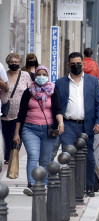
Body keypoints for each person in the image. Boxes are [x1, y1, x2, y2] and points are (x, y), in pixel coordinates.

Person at [56, 52, 99, 197]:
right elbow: (57, 105)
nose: (76, 66)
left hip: (88, 125)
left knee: (89, 157)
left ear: (83, 64)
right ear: (68, 65)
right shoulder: (60, 83)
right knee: (67, 154)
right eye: (73, 64)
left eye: (79, 64)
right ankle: (69, 186)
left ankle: (89, 185)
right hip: (68, 125)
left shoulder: (93, 81)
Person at [13, 66, 62, 195]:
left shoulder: (53, 91)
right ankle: (32, 184)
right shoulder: (28, 92)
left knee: (45, 159)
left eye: (44, 74)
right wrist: (16, 133)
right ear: (35, 76)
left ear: (48, 76)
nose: (41, 76)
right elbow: (21, 113)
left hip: (48, 130)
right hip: (30, 129)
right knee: (33, 155)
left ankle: (43, 185)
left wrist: (61, 123)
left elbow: (57, 109)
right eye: (39, 74)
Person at [2, 53, 32, 165]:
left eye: (16, 62)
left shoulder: (25, 75)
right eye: (11, 62)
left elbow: (30, 90)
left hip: (20, 112)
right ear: (8, 63)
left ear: (19, 63)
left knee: (17, 134)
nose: (14, 64)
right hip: (5, 112)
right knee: (6, 135)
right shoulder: (3, 75)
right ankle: (8, 156)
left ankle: (13, 155)